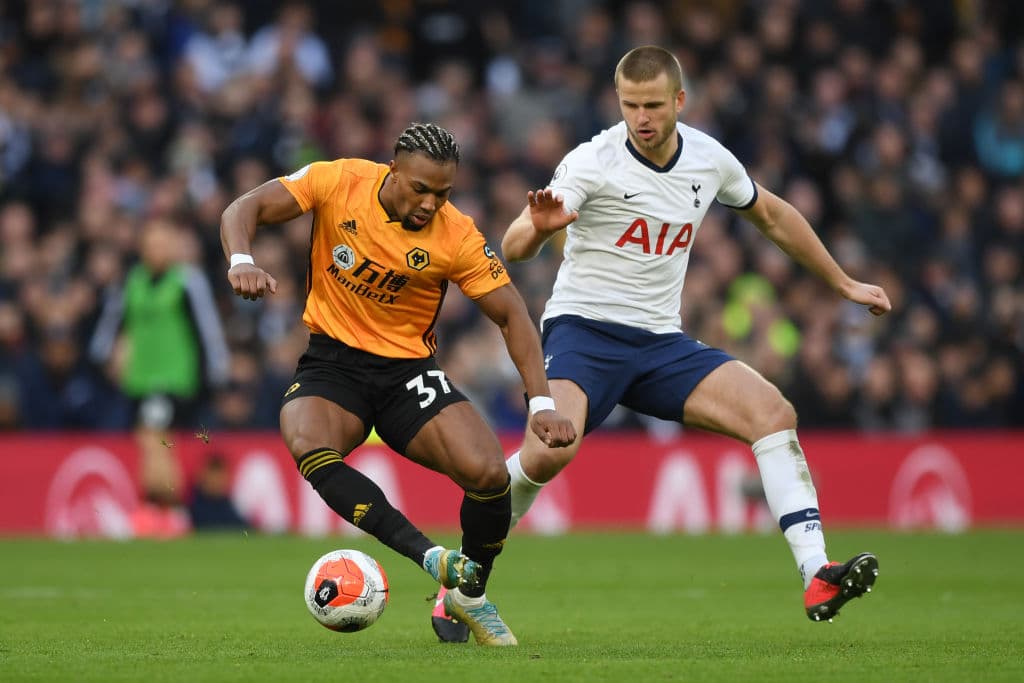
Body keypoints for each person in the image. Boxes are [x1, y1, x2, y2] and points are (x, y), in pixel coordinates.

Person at [432, 46, 892, 641]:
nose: (641, 117)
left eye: (652, 104)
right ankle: (463, 586)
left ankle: (817, 572)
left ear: (679, 100)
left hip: (659, 342)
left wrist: (843, 282)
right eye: (630, 105)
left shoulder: (708, 159)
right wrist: (537, 230)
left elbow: (774, 217)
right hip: (585, 332)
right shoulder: (593, 161)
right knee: (550, 453)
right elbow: (515, 242)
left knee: (773, 414)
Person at [220, 122, 576, 646]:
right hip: (332, 364)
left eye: (444, 193)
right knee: (306, 440)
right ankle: (429, 556)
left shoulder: (456, 234)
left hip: (407, 374)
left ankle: (467, 596)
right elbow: (242, 209)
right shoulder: (337, 181)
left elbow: (512, 315)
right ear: (392, 170)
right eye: (421, 189)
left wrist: (541, 402)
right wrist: (241, 260)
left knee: (489, 474)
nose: (431, 203)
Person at [90, 217, 231, 538]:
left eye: (164, 243)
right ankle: (163, 512)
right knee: (156, 443)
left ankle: (166, 510)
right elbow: (113, 324)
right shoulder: (131, 281)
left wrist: (217, 371)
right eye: (153, 243)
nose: (159, 249)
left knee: (153, 438)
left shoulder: (187, 281)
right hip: (139, 378)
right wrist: (102, 357)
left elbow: (207, 328)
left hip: (173, 377)